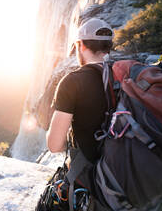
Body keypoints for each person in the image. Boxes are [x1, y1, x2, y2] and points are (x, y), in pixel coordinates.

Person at [46, 18, 113, 207]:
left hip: (91, 179)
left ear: (80, 45)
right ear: (109, 47)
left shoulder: (72, 82)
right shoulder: (121, 75)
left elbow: (54, 145)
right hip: (122, 172)